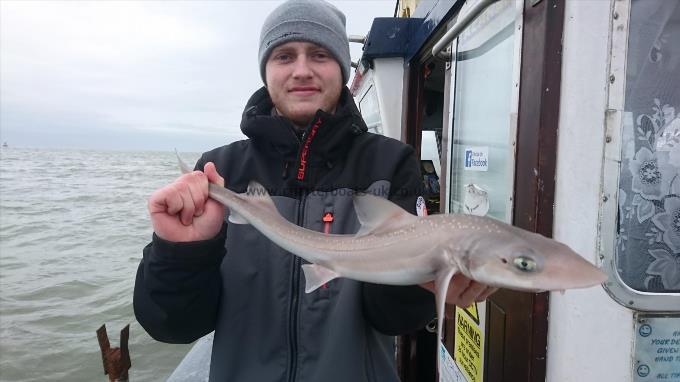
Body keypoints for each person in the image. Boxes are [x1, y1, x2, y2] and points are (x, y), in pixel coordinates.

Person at [133, 1, 496, 380]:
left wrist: (421, 279)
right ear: (266, 71)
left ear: (341, 67)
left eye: (320, 54)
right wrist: (181, 252)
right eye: (284, 56)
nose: (302, 70)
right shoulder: (221, 172)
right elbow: (172, 326)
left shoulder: (390, 164)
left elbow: (391, 319)